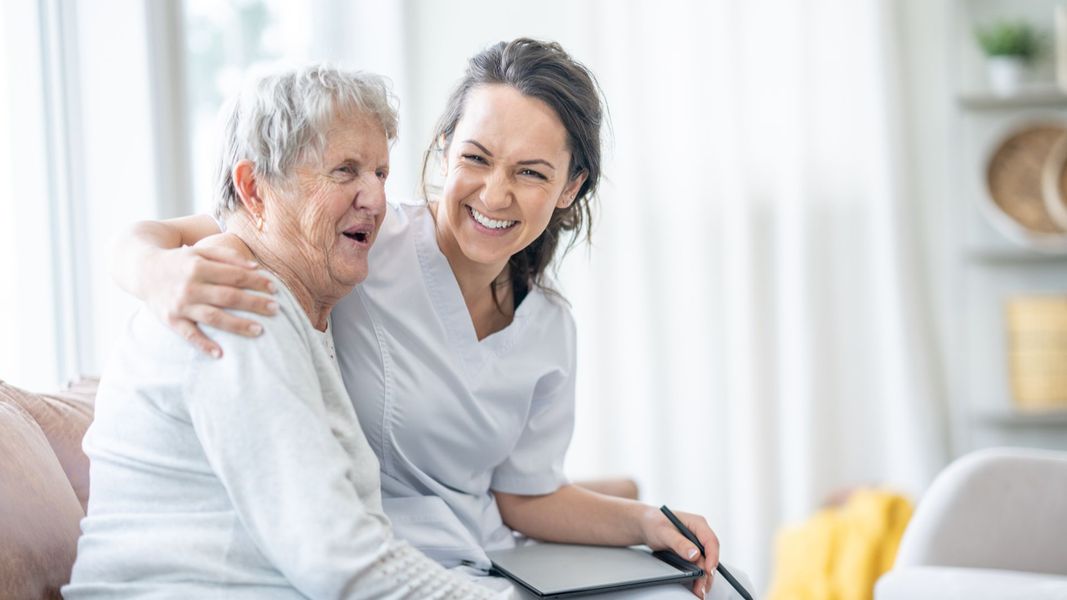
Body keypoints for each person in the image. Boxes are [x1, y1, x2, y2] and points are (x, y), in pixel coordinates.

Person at [112, 39, 752, 599]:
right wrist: (154, 272)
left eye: (530, 173)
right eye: (476, 158)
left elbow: (523, 495)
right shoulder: (356, 237)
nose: (495, 194)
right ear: (445, 150)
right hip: (386, 565)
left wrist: (645, 523)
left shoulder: (549, 325)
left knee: (708, 592)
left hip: (487, 562)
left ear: (568, 189)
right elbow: (229, 226)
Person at [65, 65, 509, 599]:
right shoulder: (236, 297)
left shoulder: (293, 297)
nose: (375, 199)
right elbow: (339, 560)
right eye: (345, 171)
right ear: (255, 190)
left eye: (381, 174)